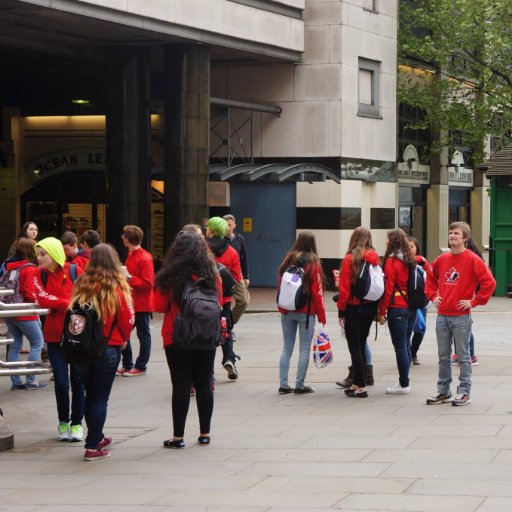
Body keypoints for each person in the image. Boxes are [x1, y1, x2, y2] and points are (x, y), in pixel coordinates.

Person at [154, 232, 221, 448]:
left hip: (177, 335)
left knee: (181, 386)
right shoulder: (211, 274)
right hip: (206, 334)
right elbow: (220, 299)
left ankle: (178, 437)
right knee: (204, 383)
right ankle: (205, 433)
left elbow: (158, 306)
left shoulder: (170, 276)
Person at [71, 244, 135, 461]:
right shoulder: (116, 286)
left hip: (81, 348)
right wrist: (125, 338)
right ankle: (92, 447)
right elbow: (127, 319)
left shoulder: (81, 283)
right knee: (100, 398)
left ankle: (96, 436)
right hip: (107, 347)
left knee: (90, 394)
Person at [425, 222, 495, 406]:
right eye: (450, 233)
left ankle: (464, 392)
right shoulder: (442, 259)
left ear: (465, 238)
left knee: (463, 356)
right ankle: (443, 391)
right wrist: (433, 296)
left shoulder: (472, 259)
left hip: (461, 317)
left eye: (456, 233)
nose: (452, 236)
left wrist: (474, 301)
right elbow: (430, 279)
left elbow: (489, 283)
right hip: (442, 315)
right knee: (443, 356)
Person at [33, 237, 85, 441]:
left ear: (54, 253)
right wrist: (67, 303)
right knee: (62, 382)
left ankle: (77, 424)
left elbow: (85, 297)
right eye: (38, 254)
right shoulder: (38, 275)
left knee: (78, 381)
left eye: (43, 254)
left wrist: (67, 304)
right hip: (54, 337)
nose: (39, 258)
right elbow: (42, 297)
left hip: (78, 335)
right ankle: (63, 421)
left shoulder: (75, 271)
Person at [277, 231, 326, 395]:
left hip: (287, 309)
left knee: (286, 348)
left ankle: (283, 384)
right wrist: (322, 316)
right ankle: (299, 385)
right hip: (306, 312)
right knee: (304, 349)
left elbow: (280, 284)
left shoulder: (288, 259)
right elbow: (317, 292)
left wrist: (282, 307)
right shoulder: (314, 264)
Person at [336, 227, 380, 398]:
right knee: (361, 343)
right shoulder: (375, 258)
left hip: (354, 307)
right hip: (370, 306)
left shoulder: (350, 258)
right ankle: (356, 383)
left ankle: (361, 386)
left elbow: (345, 289)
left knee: (354, 346)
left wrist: (341, 311)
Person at [3, 237, 46, 390]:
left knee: (14, 346)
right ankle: (31, 380)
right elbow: (29, 292)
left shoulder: (10, 267)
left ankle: (16, 381)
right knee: (37, 343)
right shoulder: (29, 268)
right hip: (25, 312)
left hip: (10, 311)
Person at [378, 228, 417, 394]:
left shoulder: (392, 261)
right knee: (406, 344)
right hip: (411, 307)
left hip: (397, 307)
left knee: (400, 346)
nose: (386, 241)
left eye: (387, 239)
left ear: (392, 241)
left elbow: (388, 289)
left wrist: (381, 311)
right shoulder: (409, 259)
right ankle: (404, 380)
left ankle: (404, 384)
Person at [205, 217, 242, 380]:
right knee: (226, 331)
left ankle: (209, 373)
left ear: (211, 230)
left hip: (204, 299)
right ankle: (229, 358)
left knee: (206, 335)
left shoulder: (201, 249)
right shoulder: (232, 252)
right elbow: (236, 276)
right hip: (224, 300)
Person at [117, 225, 154, 376]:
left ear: (127, 239)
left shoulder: (144, 257)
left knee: (142, 335)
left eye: (123, 237)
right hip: (131, 301)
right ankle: (128, 364)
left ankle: (140, 366)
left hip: (141, 304)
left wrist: (129, 277)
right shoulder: (132, 253)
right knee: (124, 332)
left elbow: (148, 283)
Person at [451, 235, 484, 367]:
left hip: (464, 297)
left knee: (465, 328)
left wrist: (474, 300)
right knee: (461, 328)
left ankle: (469, 355)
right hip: (463, 297)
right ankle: (463, 354)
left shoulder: (470, 257)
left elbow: (487, 281)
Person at [408, 237, 433, 366]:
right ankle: (407, 354)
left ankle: (413, 353)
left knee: (420, 329)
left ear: (417, 248)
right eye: (407, 246)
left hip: (421, 301)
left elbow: (432, 275)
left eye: (412, 246)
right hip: (406, 302)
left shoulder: (423, 262)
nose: (410, 249)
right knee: (406, 331)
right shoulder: (401, 262)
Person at [223, 214, 250, 324]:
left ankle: (230, 323)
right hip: (223, 275)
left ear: (234, 225)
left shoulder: (239, 239)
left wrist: (246, 276)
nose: (228, 228)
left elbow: (244, 258)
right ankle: (224, 326)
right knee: (225, 302)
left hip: (237, 274)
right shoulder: (219, 238)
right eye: (226, 225)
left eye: (230, 225)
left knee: (244, 301)